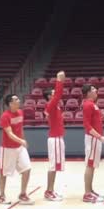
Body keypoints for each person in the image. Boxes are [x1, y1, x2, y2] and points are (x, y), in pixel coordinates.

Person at [0, 94, 34, 205]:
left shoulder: (20, 112)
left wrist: (23, 140)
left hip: (19, 147)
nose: (19, 100)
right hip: (7, 149)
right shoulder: (5, 116)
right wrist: (21, 141)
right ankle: (2, 196)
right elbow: (9, 133)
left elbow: (20, 128)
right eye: (16, 99)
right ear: (10, 103)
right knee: (4, 173)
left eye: (18, 98)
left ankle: (22, 194)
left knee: (27, 169)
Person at [82, 84, 104, 203]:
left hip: (95, 139)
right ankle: (87, 193)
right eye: (93, 89)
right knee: (90, 164)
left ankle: (90, 190)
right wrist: (100, 136)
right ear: (88, 93)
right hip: (93, 138)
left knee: (92, 165)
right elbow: (87, 126)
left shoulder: (93, 104)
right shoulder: (88, 104)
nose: (96, 90)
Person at [43, 71, 66, 201]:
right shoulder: (50, 104)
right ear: (49, 96)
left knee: (55, 166)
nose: (55, 94)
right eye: (52, 93)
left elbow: (57, 96)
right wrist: (59, 81)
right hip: (55, 138)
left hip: (58, 138)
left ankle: (51, 190)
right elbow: (58, 94)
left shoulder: (54, 106)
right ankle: (48, 191)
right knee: (53, 165)